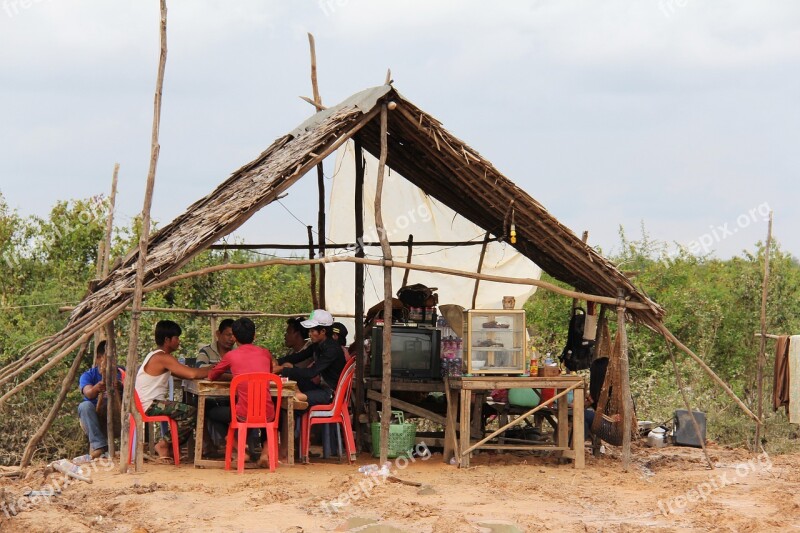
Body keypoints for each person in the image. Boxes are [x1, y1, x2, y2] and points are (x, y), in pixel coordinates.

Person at [136, 320, 210, 460]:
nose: (179, 341)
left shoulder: (155, 355)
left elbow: (183, 372)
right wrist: (211, 369)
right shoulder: (162, 357)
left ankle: (169, 446)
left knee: (186, 410)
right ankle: (164, 444)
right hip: (150, 404)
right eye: (177, 338)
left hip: (147, 403)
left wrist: (202, 370)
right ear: (167, 340)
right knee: (192, 412)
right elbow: (191, 374)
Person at [207, 317, 275, 467]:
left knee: (212, 411)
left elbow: (212, 375)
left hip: (242, 414)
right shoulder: (265, 353)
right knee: (273, 411)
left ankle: (239, 447)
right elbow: (268, 373)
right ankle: (265, 453)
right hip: (267, 413)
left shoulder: (230, 356)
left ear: (235, 337)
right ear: (255, 336)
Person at [276, 309, 346, 408]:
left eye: (312, 331)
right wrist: (277, 362)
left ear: (323, 331)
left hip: (330, 393)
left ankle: (299, 403)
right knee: (287, 386)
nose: (309, 334)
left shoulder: (332, 349)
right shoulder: (317, 345)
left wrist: (284, 369)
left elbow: (311, 372)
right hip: (320, 388)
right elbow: (298, 356)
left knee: (291, 399)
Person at [77, 340, 123, 458]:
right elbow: (88, 393)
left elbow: (133, 390)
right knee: (84, 406)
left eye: (114, 358)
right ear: (98, 358)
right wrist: (96, 388)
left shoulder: (122, 372)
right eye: (107, 358)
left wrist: (122, 386)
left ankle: (129, 446)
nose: (112, 362)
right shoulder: (88, 375)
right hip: (97, 420)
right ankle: (100, 446)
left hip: (119, 416)